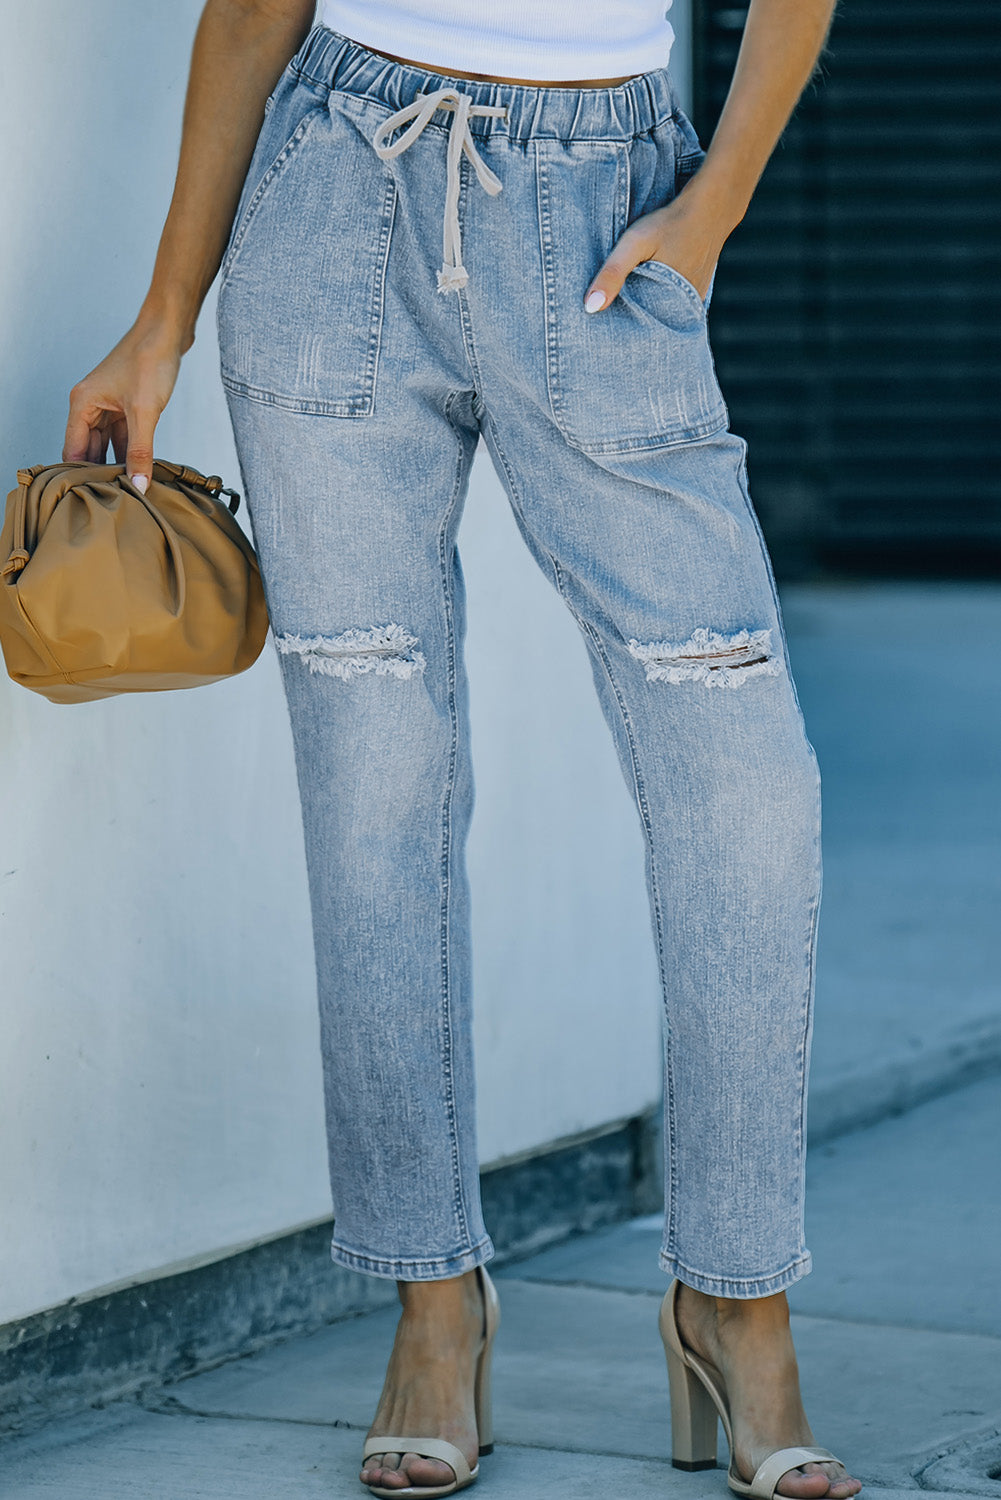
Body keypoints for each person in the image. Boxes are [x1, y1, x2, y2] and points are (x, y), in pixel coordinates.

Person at [63, 2, 863, 1497]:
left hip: (606, 213)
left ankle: (737, 1301)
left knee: (743, 785)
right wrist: (162, 318)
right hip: (332, 206)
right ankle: (433, 1304)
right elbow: (253, 9)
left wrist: (714, 207)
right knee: (376, 786)